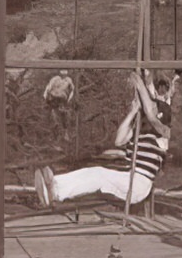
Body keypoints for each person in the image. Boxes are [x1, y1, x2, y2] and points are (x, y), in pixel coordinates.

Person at [35, 72, 169, 208]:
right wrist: (133, 112)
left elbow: (151, 113)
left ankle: (56, 192)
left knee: (98, 175)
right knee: (93, 171)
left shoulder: (163, 134)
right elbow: (119, 141)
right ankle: (53, 186)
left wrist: (139, 81)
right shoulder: (138, 133)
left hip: (140, 184)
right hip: (128, 178)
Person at [43, 70, 76, 135]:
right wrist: (46, 96)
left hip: (62, 98)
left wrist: (69, 99)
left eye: (65, 75)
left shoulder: (68, 80)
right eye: (62, 74)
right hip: (54, 97)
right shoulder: (55, 79)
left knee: (63, 112)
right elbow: (48, 87)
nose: (63, 76)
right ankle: (55, 124)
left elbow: (73, 90)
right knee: (53, 110)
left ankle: (65, 129)